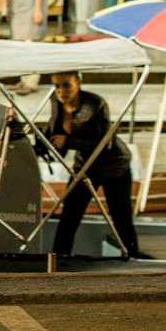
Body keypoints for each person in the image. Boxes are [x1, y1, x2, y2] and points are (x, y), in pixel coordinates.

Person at [46, 71, 139, 258]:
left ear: (78, 83)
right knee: (70, 214)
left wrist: (68, 142)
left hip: (113, 165)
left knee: (120, 217)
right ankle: (57, 258)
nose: (61, 91)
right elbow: (53, 136)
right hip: (85, 165)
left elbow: (105, 143)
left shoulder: (95, 104)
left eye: (66, 85)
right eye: (56, 86)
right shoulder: (56, 102)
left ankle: (132, 257)